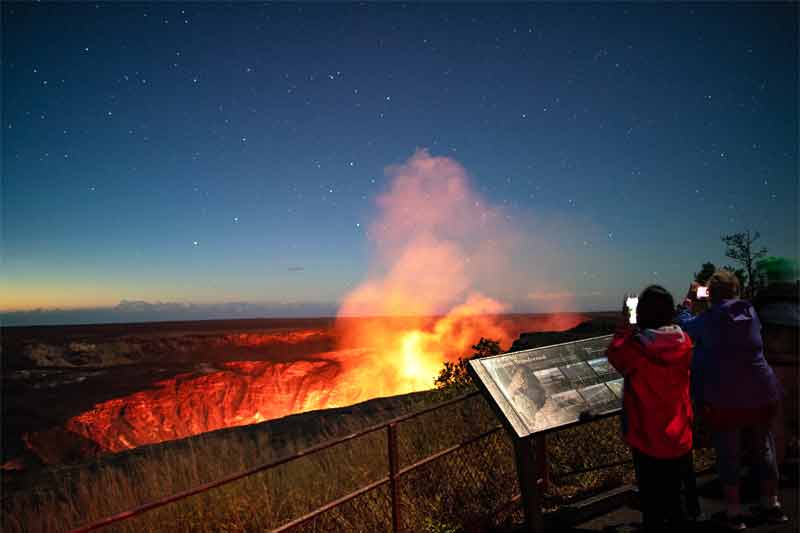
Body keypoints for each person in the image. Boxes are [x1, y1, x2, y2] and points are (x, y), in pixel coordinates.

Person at [676, 270, 787, 530]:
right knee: (763, 449)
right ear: (736, 291)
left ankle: (734, 514)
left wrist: (688, 303)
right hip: (763, 392)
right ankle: (772, 505)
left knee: (729, 453)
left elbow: (687, 326)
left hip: (726, 397)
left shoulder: (709, 318)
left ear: (710, 294)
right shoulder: (750, 313)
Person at [607, 285, 696, 532]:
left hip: (647, 437)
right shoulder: (684, 342)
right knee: (677, 493)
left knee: (652, 498)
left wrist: (624, 326)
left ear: (641, 314)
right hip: (679, 434)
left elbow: (616, 355)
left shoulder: (636, 349)